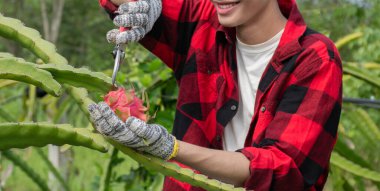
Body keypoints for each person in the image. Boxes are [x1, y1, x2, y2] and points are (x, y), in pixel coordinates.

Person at [89, 0, 343, 190]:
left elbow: (280, 169)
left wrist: (172, 148)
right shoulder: (203, 21)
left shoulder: (315, 59)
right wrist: (148, 3)